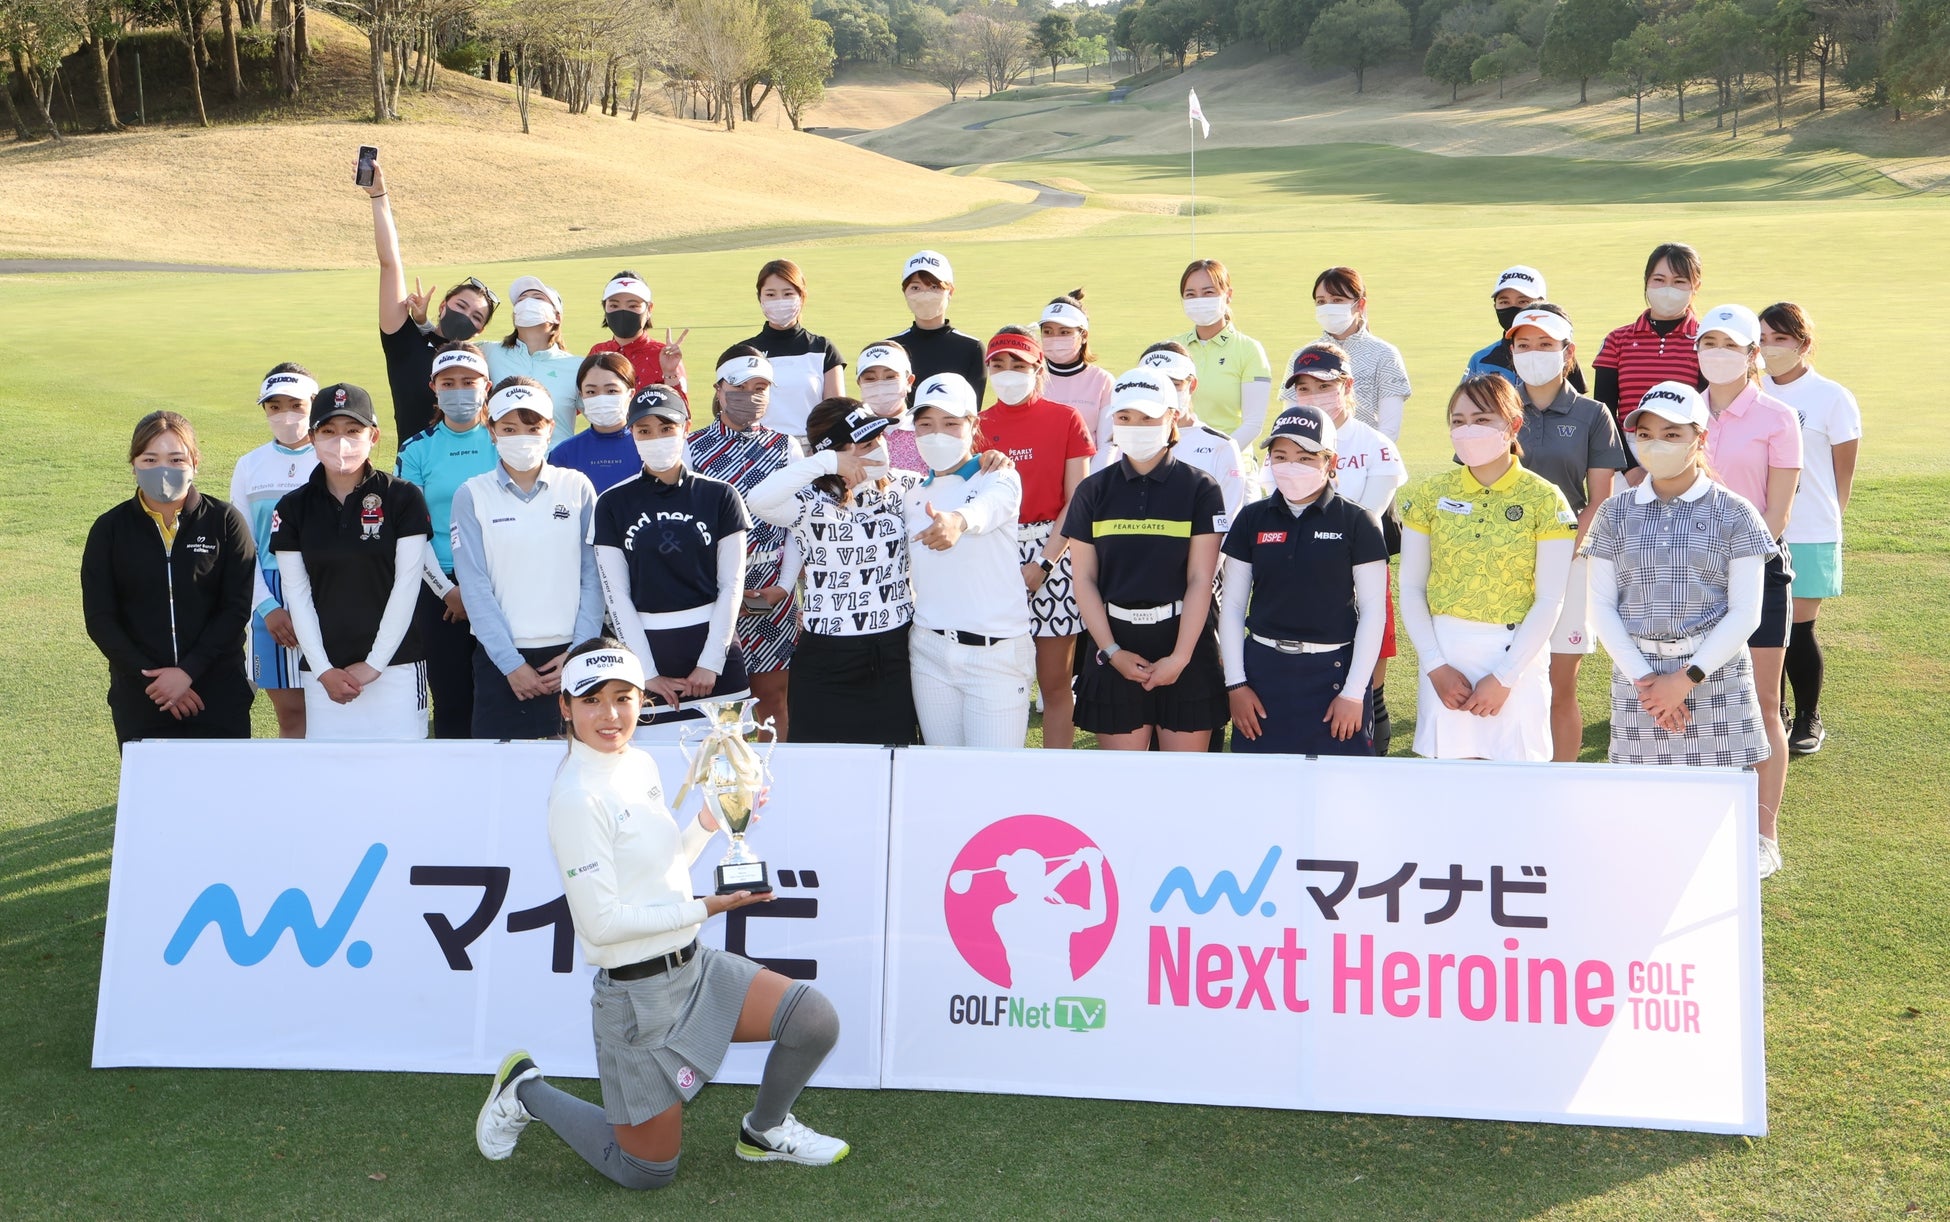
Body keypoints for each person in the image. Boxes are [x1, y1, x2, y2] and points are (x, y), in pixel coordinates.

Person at [475, 641, 848, 1187]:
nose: (610, 715)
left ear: (641, 700)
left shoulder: (638, 761)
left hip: (693, 969)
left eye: (623, 698)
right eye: (592, 700)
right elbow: (602, 924)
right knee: (646, 1171)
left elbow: (663, 868)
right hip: (636, 1001)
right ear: (565, 707)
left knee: (813, 1020)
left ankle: (764, 1131)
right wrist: (706, 907)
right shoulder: (576, 797)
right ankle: (525, 1091)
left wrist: (711, 821)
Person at [1585, 383, 1780, 876]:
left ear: (1700, 438)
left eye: (1672, 434)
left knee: (1718, 815)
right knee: (1645, 820)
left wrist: (1684, 680)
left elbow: (1746, 613)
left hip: (1713, 673)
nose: (1656, 444)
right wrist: (1649, 683)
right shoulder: (1614, 511)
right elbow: (1601, 607)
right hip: (1639, 675)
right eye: (1646, 434)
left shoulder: (1735, 512)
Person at [1397, 376, 1578, 761]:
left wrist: (1505, 677)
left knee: (1517, 783)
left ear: (1513, 425)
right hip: (1445, 658)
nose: (1468, 430)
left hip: (1516, 660)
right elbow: (1411, 588)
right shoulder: (1428, 495)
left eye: (1481, 419)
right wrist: (1435, 666)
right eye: (1458, 421)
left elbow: (1550, 599)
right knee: (1449, 782)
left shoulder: (1545, 499)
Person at [1065, 373, 1228, 751]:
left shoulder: (1200, 488)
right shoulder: (1092, 490)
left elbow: (1201, 580)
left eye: (1147, 417)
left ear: (1172, 417)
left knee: (1182, 779)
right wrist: (1111, 652)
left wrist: (1180, 658)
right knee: (1125, 780)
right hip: (1114, 643)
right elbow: (1084, 579)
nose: (1135, 426)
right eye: (1125, 417)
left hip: (1184, 643)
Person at [747, 399, 921, 745]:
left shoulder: (906, 486)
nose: (880, 447)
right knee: (819, 765)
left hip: (894, 652)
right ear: (835, 453)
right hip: (826, 656)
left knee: (891, 763)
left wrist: (990, 462)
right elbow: (757, 500)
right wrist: (825, 462)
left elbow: (961, 482)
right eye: (866, 444)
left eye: (879, 438)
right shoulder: (808, 500)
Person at [1698, 303, 1802, 875]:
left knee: (1763, 704)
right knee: (1699, 700)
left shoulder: (1777, 418)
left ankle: (1764, 835)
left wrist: (1731, 562)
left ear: (1751, 354)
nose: (1717, 354)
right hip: (1689, 578)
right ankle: (1704, 823)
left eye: (1730, 345)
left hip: (1759, 572)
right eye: (1708, 343)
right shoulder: (1684, 410)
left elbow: (1777, 514)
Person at [1220, 405, 1389, 756]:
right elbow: (1233, 606)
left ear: (1331, 462)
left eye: (1305, 457)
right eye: (1280, 456)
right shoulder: (1251, 519)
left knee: (1340, 783)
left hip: (1335, 677)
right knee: (1263, 783)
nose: (1291, 466)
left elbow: (1374, 612)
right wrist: (1236, 684)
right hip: (1262, 675)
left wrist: (1353, 693)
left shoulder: (1358, 522)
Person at [270, 384, 434, 740]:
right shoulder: (292, 507)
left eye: (353, 430)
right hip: (324, 675)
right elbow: (297, 594)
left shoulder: (403, 497)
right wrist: (323, 669)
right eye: (328, 431)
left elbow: (407, 585)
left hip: (397, 667)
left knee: (401, 769)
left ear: (373, 436)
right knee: (330, 771)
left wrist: (374, 664)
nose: (340, 442)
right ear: (312, 438)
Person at [83, 411, 256, 744]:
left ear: (195, 463)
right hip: (142, 696)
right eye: (150, 459)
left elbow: (235, 609)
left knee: (221, 779)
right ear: (133, 465)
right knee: (151, 780)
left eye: (176, 459)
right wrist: (155, 681)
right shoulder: (109, 530)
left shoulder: (224, 522)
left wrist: (188, 672)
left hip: (218, 691)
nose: (163, 469)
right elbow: (100, 619)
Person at [593, 385, 754, 735]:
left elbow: (731, 585)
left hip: (716, 651)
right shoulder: (611, 503)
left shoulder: (720, 496)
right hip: (647, 652)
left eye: (666, 428)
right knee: (651, 762)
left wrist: (711, 663)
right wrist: (646, 672)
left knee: (729, 761)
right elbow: (616, 595)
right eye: (644, 430)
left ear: (686, 427)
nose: (656, 438)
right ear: (632, 434)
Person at [1505, 305, 1628, 761]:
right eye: (1523, 345)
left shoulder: (1593, 415)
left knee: (1561, 684)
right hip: (1503, 562)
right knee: (1508, 677)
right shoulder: (1496, 405)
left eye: (1545, 345)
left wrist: (1561, 557)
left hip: (1570, 562)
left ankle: (1560, 780)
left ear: (1568, 353)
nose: (1533, 353)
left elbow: (1599, 501)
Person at [451, 383, 605, 739]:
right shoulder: (471, 494)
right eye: (509, 429)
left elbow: (593, 576)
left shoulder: (577, 487)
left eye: (533, 428)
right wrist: (511, 664)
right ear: (492, 431)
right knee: (501, 768)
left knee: (578, 762)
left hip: (569, 653)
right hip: (501, 659)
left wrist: (579, 652)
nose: (522, 438)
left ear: (550, 428)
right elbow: (474, 586)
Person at [1280, 343, 1409, 753]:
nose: (1313, 395)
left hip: (1359, 578)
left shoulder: (1376, 445)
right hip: (1298, 576)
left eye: (1324, 386)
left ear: (1347, 386)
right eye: (1303, 388)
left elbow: (1366, 523)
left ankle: (1371, 760)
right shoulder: (1284, 442)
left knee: (1367, 690)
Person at [976, 327, 1097, 750]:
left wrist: (1044, 563)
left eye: (1019, 364)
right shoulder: (975, 424)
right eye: (998, 365)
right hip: (993, 549)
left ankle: (1054, 773)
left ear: (1038, 368)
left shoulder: (1066, 419)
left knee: (1054, 683)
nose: (1008, 372)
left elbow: (1076, 501)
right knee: (996, 680)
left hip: (1053, 551)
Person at [902, 373, 1033, 748]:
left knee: (993, 776)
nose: (936, 434)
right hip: (929, 651)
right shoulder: (911, 493)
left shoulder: (999, 476)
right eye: (925, 424)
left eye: (950, 423)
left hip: (995, 656)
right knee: (943, 770)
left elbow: (988, 508)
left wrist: (957, 521)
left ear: (973, 425)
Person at [1761, 301, 1861, 756]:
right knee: (1762, 629)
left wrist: (1828, 521)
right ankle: (1773, 711)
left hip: (1811, 529)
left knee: (1797, 629)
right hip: (1757, 527)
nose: (1770, 348)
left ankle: (1807, 717)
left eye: (1780, 338)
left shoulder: (1832, 397)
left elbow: (1842, 475)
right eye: (1763, 339)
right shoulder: (1748, 391)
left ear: (1803, 343)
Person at [688, 347, 802, 738]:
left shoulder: (786, 446)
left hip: (771, 590)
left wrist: (783, 587)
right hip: (710, 593)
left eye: (760, 388)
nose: (750, 397)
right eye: (739, 388)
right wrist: (717, 593)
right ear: (718, 390)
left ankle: (770, 769)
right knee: (717, 702)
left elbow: (797, 526)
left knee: (772, 698)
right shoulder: (692, 446)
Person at [397, 346, 499, 740]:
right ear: (433, 388)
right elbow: (413, 532)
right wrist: (448, 592)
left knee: (499, 693)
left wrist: (479, 592)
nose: (459, 391)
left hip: (498, 581)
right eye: (449, 383)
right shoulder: (416, 448)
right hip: (440, 588)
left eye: (469, 382)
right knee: (451, 697)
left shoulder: (504, 440)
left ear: (486, 386)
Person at [360, 158, 499, 442]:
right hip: (413, 463)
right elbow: (390, 263)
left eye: (476, 317)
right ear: (443, 305)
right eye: (461, 306)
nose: (466, 316)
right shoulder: (404, 341)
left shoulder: (479, 362)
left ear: (480, 331)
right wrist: (378, 195)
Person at [228, 364, 320, 738]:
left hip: (326, 589)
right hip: (269, 595)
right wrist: (267, 608)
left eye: (296, 405)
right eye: (274, 406)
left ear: (314, 403)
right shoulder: (249, 465)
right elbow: (242, 547)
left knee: (334, 707)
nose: (286, 415)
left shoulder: (334, 459)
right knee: (292, 715)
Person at [1593, 241, 1704, 476]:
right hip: (1626, 454)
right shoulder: (1617, 340)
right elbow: (1604, 413)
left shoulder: (1705, 340)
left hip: (1685, 453)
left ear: (1696, 286)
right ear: (1646, 282)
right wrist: (1629, 469)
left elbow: (1708, 410)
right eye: (1659, 280)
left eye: (1679, 281)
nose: (1668, 289)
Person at [1135, 346, 1250, 519]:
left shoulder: (1221, 446)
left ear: (1192, 385)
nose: (1164, 393)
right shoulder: (1124, 441)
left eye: (1174, 384)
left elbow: (1227, 518)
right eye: (1153, 385)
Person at [737, 259, 845, 442]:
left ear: (801, 296)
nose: (779, 301)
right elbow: (733, 412)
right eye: (770, 294)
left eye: (788, 293)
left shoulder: (823, 349)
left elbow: (836, 414)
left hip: (813, 449)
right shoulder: (744, 353)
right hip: (759, 447)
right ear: (760, 298)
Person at [1171, 258, 1273, 447]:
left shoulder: (1249, 350)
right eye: (1191, 294)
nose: (1199, 300)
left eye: (1208, 292)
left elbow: (1253, 424)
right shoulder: (1172, 348)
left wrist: (1218, 455)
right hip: (1178, 456)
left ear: (1228, 295)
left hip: (1230, 457)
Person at [1306, 266, 1411, 442]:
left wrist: (1364, 455)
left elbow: (1389, 431)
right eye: (1321, 301)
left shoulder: (1385, 355)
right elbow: (1292, 419)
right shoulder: (1304, 356)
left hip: (1368, 455)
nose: (1328, 307)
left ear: (1360, 304)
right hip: (1313, 455)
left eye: (1337, 300)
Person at [487, 275, 582, 445]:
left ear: (557, 316)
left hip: (557, 459)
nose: (527, 303)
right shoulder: (488, 352)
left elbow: (601, 418)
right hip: (504, 458)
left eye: (538, 298)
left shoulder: (577, 366)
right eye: (521, 300)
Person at [1464, 266, 1587, 393]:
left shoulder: (1559, 355)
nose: (1512, 308)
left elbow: (1577, 402)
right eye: (1504, 302)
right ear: (1495, 305)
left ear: (1540, 304)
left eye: (1523, 301)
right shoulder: (1480, 359)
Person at [886, 249, 986, 401]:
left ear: (950, 292)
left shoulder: (972, 348)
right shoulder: (891, 348)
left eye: (934, 287)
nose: (925, 295)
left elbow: (972, 408)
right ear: (904, 292)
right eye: (915, 288)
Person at [586, 270, 688, 404]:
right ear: (604, 308)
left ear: (649, 309)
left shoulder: (664, 355)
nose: (623, 312)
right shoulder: (598, 352)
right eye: (614, 305)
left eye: (633, 306)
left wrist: (670, 373)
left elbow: (681, 411)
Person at [549, 352, 640, 494]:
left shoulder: (647, 448)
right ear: (581, 395)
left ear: (630, 394)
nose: (601, 398)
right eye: (591, 392)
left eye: (611, 391)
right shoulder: (564, 454)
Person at [1039, 292, 1113, 439]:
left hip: (1091, 455)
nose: (1055, 338)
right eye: (1048, 331)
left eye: (1064, 332)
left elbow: (1108, 442)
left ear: (1084, 335)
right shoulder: (1031, 378)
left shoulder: (1102, 380)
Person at [855, 341, 923, 473]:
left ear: (909, 381)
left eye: (890, 377)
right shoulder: (850, 436)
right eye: (870, 378)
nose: (880, 385)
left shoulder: (925, 430)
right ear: (859, 384)